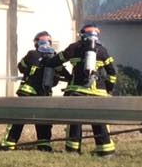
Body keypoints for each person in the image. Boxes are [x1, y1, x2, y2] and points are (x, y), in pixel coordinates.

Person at [44, 24, 118, 156]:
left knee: (74, 120)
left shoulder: (73, 48)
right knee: (99, 121)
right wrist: (109, 88)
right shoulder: (102, 50)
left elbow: (54, 62)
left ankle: (72, 150)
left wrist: (62, 72)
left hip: (76, 91)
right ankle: (105, 151)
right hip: (98, 93)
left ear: (82, 34)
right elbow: (112, 73)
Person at [0, 31, 71, 152]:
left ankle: (9, 143)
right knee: (43, 120)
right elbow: (64, 73)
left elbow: (21, 67)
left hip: (27, 93)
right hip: (44, 94)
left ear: (36, 42)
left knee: (18, 119)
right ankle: (44, 145)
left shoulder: (32, 54)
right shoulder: (54, 57)